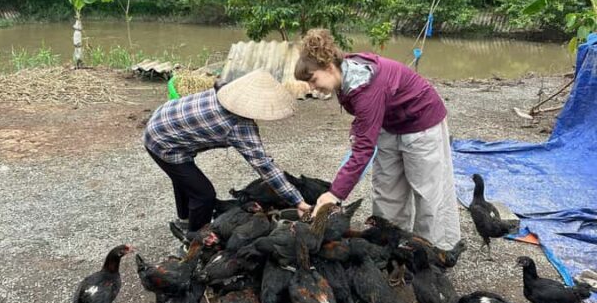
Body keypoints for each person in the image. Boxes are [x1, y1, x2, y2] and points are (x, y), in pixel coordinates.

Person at [294, 29, 462, 253]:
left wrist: (334, 194)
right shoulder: (345, 73)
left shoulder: (366, 88)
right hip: (389, 122)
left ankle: (434, 252)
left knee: (428, 192)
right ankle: (390, 246)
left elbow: (364, 150)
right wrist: (358, 128)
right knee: (387, 188)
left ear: (328, 67)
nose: (312, 88)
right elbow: (363, 117)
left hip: (421, 121)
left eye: (313, 80)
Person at [144, 69, 310, 239]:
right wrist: (297, 200)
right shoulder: (239, 126)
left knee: (185, 179)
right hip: (162, 142)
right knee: (203, 194)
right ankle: (195, 239)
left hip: (163, 117)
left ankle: (186, 219)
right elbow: (264, 165)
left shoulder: (224, 90)